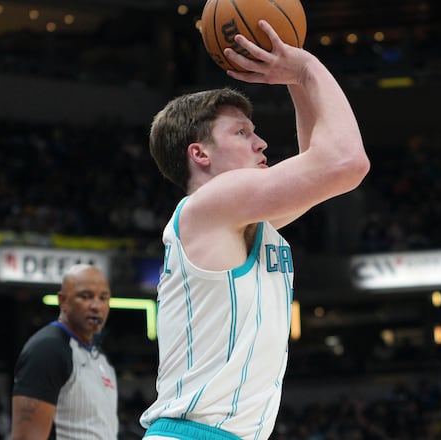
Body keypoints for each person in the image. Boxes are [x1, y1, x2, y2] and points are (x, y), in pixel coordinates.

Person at [139, 19, 370, 440]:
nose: (261, 142)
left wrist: (295, 82)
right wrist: (307, 68)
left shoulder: (239, 220)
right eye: (242, 132)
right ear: (200, 153)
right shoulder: (210, 206)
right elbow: (347, 163)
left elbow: (319, 162)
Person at [11, 264, 117, 440]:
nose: (96, 306)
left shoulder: (100, 358)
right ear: (63, 301)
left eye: (103, 298)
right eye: (86, 296)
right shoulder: (48, 349)